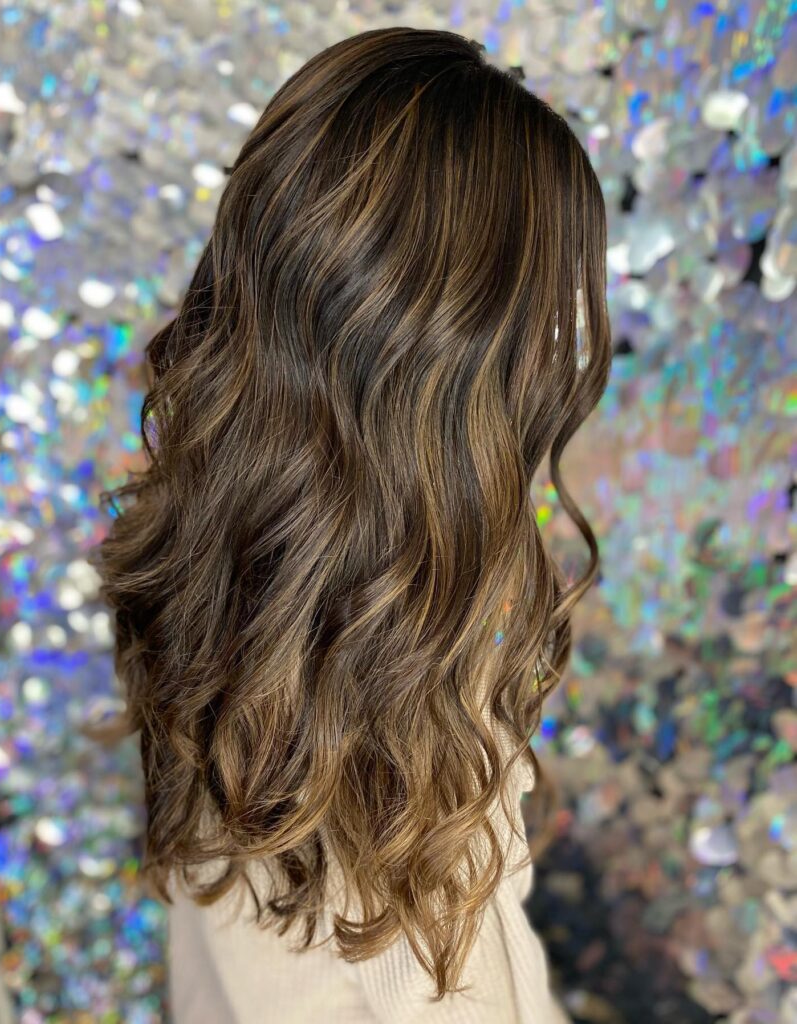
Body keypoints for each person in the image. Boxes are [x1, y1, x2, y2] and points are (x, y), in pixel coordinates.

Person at [91, 25, 612, 1023]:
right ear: (448, 391)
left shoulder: (220, 596)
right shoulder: (407, 756)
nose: (546, 373)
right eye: (531, 338)